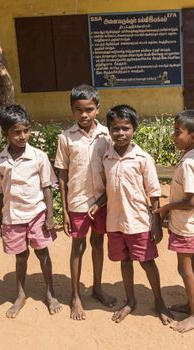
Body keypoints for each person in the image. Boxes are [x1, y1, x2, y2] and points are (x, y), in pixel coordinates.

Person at [89, 104, 175, 325]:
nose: (120, 133)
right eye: (115, 128)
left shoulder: (142, 158)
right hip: (115, 222)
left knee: (147, 262)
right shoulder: (106, 158)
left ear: (134, 129)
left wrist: (156, 223)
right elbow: (109, 189)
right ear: (109, 130)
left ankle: (159, 302)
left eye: (125, 128)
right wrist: (98, 204)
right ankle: (131, 300)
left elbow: (154, 193)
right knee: (124, 262)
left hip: (138, 222)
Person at [0, 104, 62, 318]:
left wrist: (49, 216)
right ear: (5, 133)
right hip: (12, 216)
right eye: (16, 132)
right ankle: (20, 294)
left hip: (37, 213)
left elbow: (46, 187)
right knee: (20, 257)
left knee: (43, 254)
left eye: (26, 130)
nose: (23, 136)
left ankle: (50, 292)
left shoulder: (38, 156)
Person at [54, 84, 117, 321]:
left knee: (98, 242)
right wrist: (65, 210)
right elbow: (62, 175)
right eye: (78, 110)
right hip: (77, 203)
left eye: (89, 109)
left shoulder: (108, 136)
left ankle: (97, 287)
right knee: (77, 247)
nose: (84, 114)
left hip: (101, 202)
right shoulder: (66, 138)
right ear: (72, 111)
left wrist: (104, 201)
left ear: (97, 109)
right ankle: (75, 296)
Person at [153, 110, 194, 333]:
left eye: (178, 132)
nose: (174, 136)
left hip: (186, 225)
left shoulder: (189, 164)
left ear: (193, 137)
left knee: (184, 268)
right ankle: (192, 303)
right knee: (192, 264)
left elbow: (190, 200)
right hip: (190, 224)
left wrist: (165, 208)